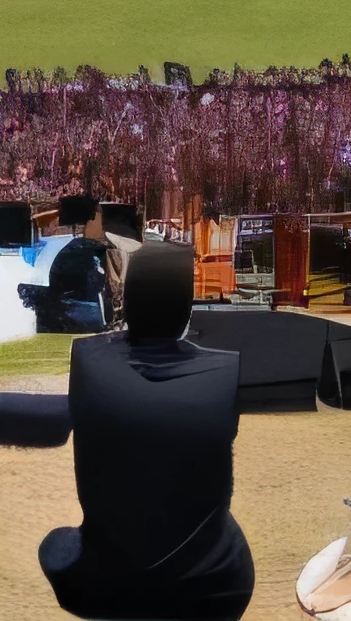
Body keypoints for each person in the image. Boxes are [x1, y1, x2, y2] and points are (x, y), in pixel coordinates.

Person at [39, 242, 255, 621]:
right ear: (185, 308)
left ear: (129, 300)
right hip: (215, 589)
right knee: (225, 527)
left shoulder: (87, 360)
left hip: (105, 587)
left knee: (57, 544)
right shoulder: (224, 371)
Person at [43, 194, 113, 333]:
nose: (105, 226)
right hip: (81, 314)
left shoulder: (65, 249)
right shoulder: (85, 250)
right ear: (90, 220)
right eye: (100, 216)